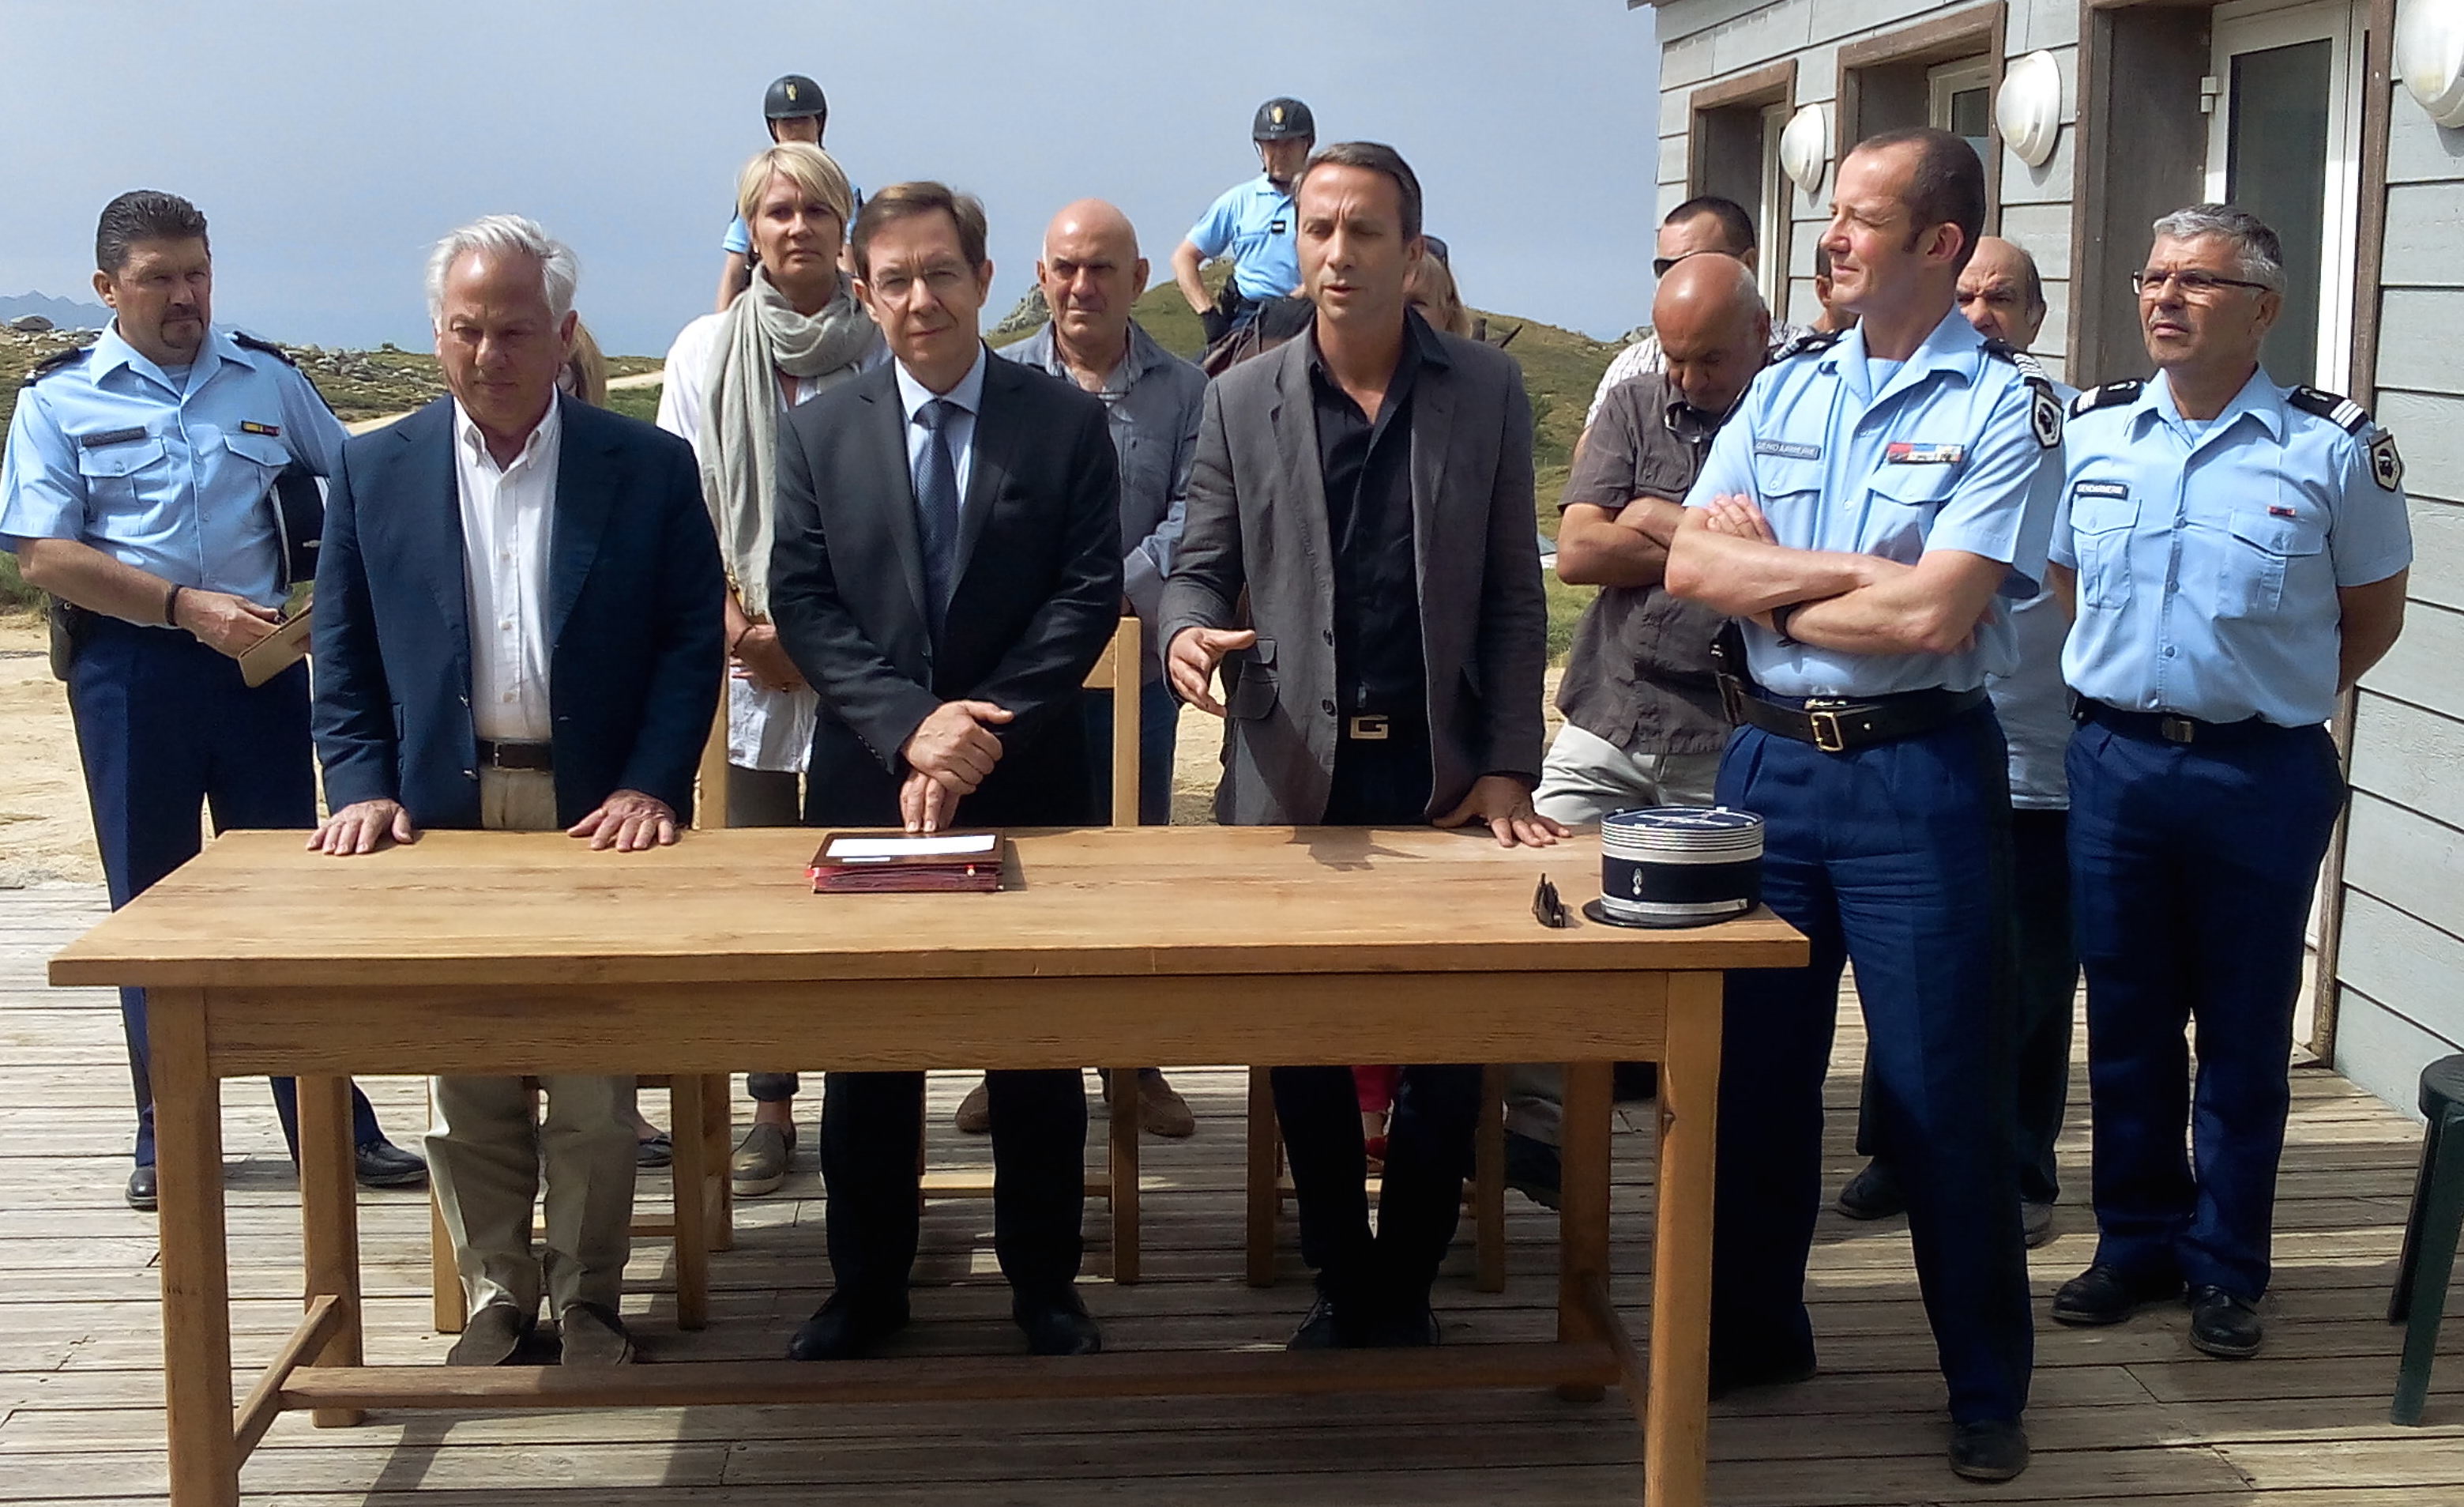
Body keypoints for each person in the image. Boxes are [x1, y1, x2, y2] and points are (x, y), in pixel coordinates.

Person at [1661, 127, 2064, 1483]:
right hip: (1765, 765)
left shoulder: (2003, 410)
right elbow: (1689, 567)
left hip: (1915, 777)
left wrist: (1791, 573)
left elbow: (1939, 612)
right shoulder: (1782, 388)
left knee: (1939, 1095)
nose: (1827, 239)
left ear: (1938, 246)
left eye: (1857, 219)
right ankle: (1755, 1332)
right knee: (1752, 1084)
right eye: (1828, 216)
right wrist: (1853, 582)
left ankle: (1982, 1387)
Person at [1161, 141, 1560, 1351]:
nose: (1335, 252)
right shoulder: (1238, 394)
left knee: (1455, 1041)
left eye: (1361, 231)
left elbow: (1508, 595)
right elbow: (1195, 563)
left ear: (1409, 248)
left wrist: (1505, 761)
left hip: (1441, 778)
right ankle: (1342, 1270)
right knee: (1302, 1038)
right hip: (1293, 780)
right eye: (1319, 229)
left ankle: (1412, 1273)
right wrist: (1184, 633)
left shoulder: (1485, 393)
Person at [307, 214, 724, 1368]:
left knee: (594, 1080)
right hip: (442, 817)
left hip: (597, 818)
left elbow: (692, 643)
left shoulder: (643, 467)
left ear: (564, 335)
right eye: (467, 329)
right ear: (438, 334)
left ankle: (589, 1295)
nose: (489, 353)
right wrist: (358, 784)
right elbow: (340, 653)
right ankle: (501, 1290)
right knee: (468, 1072)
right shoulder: (374, 467)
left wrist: (652, 782)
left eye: (515, 330)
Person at [0, 190, 425, 1211]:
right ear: (108, 288)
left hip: (262, 673)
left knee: (287, 895)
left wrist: (340, 607)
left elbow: (361, 486)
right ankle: (168, 1128)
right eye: (160, 277)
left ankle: (327, 1118)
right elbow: (45, 553)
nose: (187, 295)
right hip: (132, 671)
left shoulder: (265, 380)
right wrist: (181, 605)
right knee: (151, 910)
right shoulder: (61, 400)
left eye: (197, 272)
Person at [2045, 205, 2410, 1360]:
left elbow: (2371, 615)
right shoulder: (2093, 432)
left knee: (2243, 1029)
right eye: (2152, 277)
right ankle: (2132, 1241)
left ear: (2261, 307)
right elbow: (2063, 582)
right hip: (2114, 762)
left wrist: (2260, 689)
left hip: (2259, 772)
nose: (2161, 298)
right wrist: (2141, 693)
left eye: (2195, 281)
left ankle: (2224, 1261)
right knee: (2126, 1018)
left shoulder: (2329, 448)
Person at [768, 182, 1121, 1362]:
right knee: (867, 1050)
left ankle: (1044, 1285)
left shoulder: (1062, 423)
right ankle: (863, 1285)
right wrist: (912, 726)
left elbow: (1081, 597)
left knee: (1033, 1046)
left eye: (943, 273)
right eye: (897, 279)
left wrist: (981, 730)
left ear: (984, 280)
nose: (922, 299)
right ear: (864, 294)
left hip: (1026, 782)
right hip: (871, 775)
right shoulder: (818, 429)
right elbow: (803, 602)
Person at [1502, 253, 1773, 1205]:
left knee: (1719, 950)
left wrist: (1658, 518)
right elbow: (1577, 550)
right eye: (1674, 358)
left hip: (1723, 731)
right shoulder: (1632, 403)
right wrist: (1708, 537)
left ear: (1759, 335)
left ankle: (1702, 1150)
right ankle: (1536, 1123)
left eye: (1706, 361)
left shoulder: (1787, 420)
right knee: (1534, 906)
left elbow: (1782, 568)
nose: (1686, 380)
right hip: (1609, 713)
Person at [1837, 236, 2076, 1249]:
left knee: (2025, 976)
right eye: (1966, 293)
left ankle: (2019, 1161)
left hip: (2038, 745)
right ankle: (1895, 1149)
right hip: (1926, 733)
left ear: (2032, 316)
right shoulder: (1892, 404)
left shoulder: (2061, 426)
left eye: (2003, 299)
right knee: (1913, 973)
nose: (1980, 313)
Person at [658, 142, 886, 1198]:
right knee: (756, 892)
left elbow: (902, 517)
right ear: (749, 227)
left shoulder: (884, 344)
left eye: (815, 211)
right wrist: (741, 627)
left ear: (846, 228)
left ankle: (866, 1107)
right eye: (774, 210)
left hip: (860, 669)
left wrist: (821, 640)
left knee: (859, 890)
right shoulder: (705, 349)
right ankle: (769, 1105)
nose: (794, 228)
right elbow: (681, 506)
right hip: (740, 666)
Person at [976, 197, 1208, 1143]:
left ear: (1139, 278)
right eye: (1065, 267)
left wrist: (1108, 591)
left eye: (1101, 267)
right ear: (1040, 277)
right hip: (1021, 674)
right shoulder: (997, 384)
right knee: (1022, 865)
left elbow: (1195, 508)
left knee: (1132, 865)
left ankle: (1133, 1061)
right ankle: (1014, 1064)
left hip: (1135, 666)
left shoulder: (1187, 392)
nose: (1081, 285)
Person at [1583, 196, 1807, 427]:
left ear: (1748, 263)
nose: (1679, 279)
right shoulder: (1634, 367)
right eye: (1665, 269)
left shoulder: (1803, 364)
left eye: (1694, 263)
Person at [1173, 97, 1315, 348]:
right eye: (1271, 144)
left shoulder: (1323, 200)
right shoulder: (1238, 201)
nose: (1279, 153)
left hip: (1310, 315)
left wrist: (1303, 293)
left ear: (1307, 144)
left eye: (1289, 144)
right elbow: (1184, 257)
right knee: (1197, 380)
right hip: (1250, 321)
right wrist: (1208, 314)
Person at [713, 74, 851, 312]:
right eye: (787, 124)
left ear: (818, 124)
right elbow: (736, 261)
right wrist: (721, 331)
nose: (795, 131)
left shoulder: (840, 186)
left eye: (803, 121)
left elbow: (847, 257)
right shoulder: (759, 187)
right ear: (774, 128)